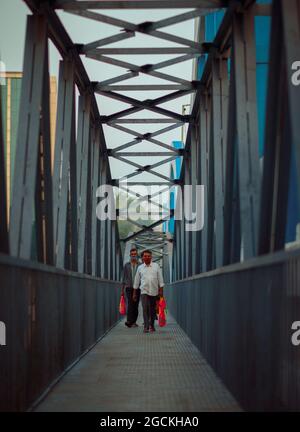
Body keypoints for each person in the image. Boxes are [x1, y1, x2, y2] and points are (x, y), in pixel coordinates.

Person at [133, 250, 164, 333]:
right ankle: (146, 326)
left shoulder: (156, 266)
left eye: (148, 256)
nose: (147, 257)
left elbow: (160, 280)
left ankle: (152, 325)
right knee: (145, 308)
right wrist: (134, 293)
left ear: (151, 257)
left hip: (154, 291)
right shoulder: (140, 268)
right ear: (142, 257)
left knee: (152, 309)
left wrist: (161, 292)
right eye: (145, 256)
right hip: (144, 291)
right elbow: (136, 281)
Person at [121, 247, 141, 328]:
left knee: (135, 305)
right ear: (130, 255)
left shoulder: (140, 265)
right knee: (130, 303)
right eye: (132, 254)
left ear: (137, 255)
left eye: (135, 254)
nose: (133, 256)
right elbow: (124, 277)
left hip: (138, 288)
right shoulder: (126, 265)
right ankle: (129, 321)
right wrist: (122, 290)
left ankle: (134, 322)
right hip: (129, 287)